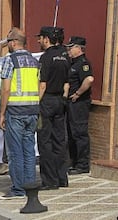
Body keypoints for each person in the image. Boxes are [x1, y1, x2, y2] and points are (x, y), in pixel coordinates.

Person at [0, 27, 40, 200]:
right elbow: (39, 85)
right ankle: (29, 186)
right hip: (32, 111)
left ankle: (18, 189)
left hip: (15, 112)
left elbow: (6, 89)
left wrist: (1, 113)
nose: (7, 45)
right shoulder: (34, 60)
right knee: (29, 151)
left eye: (8, 41)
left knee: (15, 153)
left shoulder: (10, 60)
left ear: (14, 42)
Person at [36, 26, 70, 190]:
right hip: (60, 101)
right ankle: (62, 177)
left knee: (45, 141)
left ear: (46, 39)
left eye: (40, 38)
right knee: (59, 140)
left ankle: (50, 181)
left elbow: (42, 85)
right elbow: (67, 83)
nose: (39, 41)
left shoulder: (45, 58)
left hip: (47, 100)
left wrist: (36, 104)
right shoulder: (65, 55)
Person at [65, 36, 94, 175]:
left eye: (71, 47)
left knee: (80, 133)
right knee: (72, 133)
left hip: (79, 103)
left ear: (78, 48)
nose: (68, 50)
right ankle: (74, 162)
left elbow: (89, 79)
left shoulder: (83, 63)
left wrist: (77, 93)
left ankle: (82, 164)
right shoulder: (73, 63)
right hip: (71, 104)